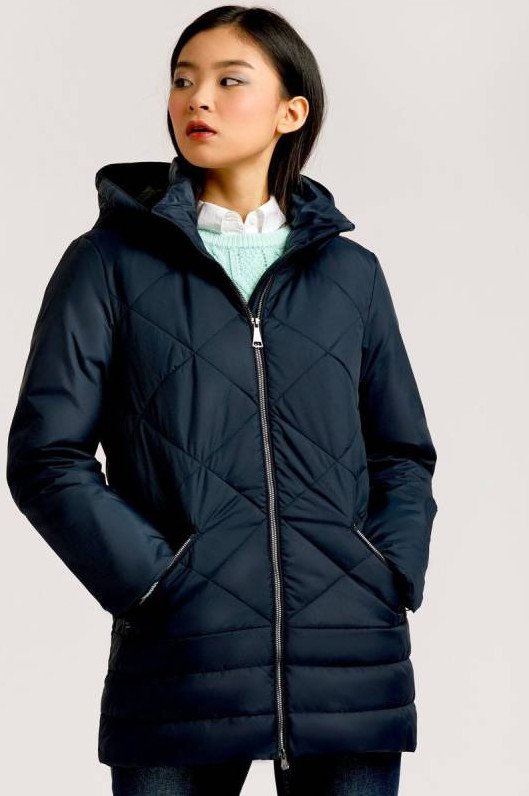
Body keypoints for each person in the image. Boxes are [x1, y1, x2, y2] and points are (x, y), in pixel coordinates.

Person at [6, 5, 437, 795]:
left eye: (229, 80)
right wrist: (154, 582)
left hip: (350, 663)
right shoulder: (107, 264)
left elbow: (401, 452)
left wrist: (386, 569)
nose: (195, 99)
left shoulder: (351, 275)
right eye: (182, 80)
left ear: (290, 112)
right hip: (181, 659)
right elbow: (47, 455)